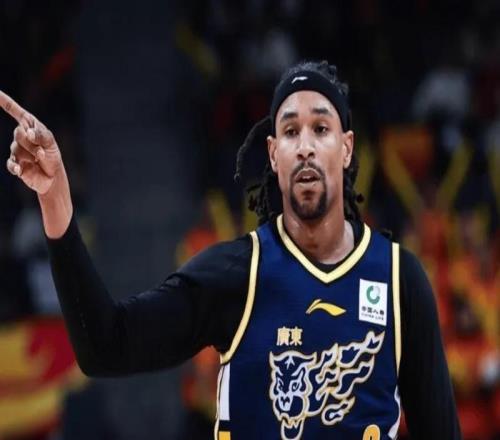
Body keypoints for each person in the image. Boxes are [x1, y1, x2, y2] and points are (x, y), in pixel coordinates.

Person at [2, 60, 461, 439]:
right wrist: (55, 200)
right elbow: (104, 346)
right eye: (290, 131)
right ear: (273, 154)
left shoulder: (399, 278)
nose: (305, 146)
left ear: (346, 148)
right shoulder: (238, 272)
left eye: (321, 128)